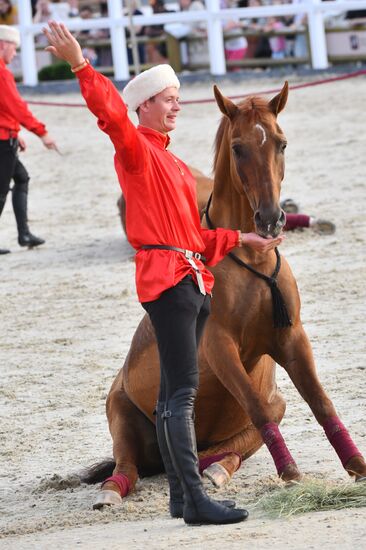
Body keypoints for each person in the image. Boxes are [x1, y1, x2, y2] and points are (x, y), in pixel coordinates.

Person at [43, 20, 284, 525]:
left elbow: (195, 238)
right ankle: (193, 498)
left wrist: (243, 238)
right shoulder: (136, 150)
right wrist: (81, 65)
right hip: (169, 280)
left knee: (180, 390)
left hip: (192, 275)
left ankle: (181, 496)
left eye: (177, 98)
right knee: (179, 394)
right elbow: (109, 114)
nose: (177, 105)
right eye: (168, 98)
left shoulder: (174, 166)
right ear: (145, 106)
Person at [0, 25, 57, 254]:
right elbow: (16, 106)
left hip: (6, 135)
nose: (15, 54)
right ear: (3, 44)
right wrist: (41, 132)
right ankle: (23, 234)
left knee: (21, 178)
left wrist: (16, 131)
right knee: (1, 190)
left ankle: (24, 234)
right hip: (3, 140)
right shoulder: (2, 73)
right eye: (14, 48)